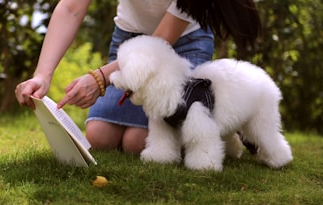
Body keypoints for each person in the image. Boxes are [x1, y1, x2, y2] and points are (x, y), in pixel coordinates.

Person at [15, 0, 261, 155]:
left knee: (137, 142)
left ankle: (225, 124)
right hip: (129, 41)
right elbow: (71, 7)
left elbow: (161, 39)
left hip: (184, 43)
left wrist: (101, 77)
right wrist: (42, 75)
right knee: (99, 137)